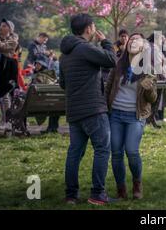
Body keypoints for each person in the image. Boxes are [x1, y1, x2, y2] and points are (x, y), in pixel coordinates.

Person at [59, 13, 117, 205]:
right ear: (88, 28)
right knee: (102, 149)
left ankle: (71, 195)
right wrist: (106, 42)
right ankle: (98, 193)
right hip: (93, 109)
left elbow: (63, 83)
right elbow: (111, 60)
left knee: (75, 152)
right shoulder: (84, 48)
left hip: (74, 111)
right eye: (93, 26)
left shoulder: (64, 53)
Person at [105, 33, 157, 200]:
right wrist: (106, 110)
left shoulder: (147, 69)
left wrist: (148, 89)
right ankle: (121, 190)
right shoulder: (118, 65)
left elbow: (153, 99)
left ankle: (137, 183)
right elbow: (108, 89)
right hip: (116, 115)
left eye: (137, 40)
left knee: (132, 151)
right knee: (116, 153)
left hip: (135, 116)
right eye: (131, 39)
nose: (133, 41)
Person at [31, 57, 60, 134]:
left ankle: (22, 128)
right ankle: (52, 128)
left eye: (38, 64)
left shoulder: (39, 77)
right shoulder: (52, 76)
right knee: (55, 107)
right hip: (55, 103)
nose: (36, 65)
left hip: (41, 104)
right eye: (36, 64)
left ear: (43, 66)